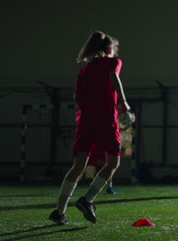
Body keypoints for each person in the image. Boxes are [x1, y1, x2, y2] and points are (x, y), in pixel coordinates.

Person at [49, 31, 131, 225]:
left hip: (85, 119)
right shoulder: (113, 62)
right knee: (113, 163)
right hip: (105, 118)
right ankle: (87, 200)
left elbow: (76, 98)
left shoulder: (85, 69)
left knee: (79, 166)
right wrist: (124, 103)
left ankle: (59, 211)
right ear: (109, 49)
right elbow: (113, 76)